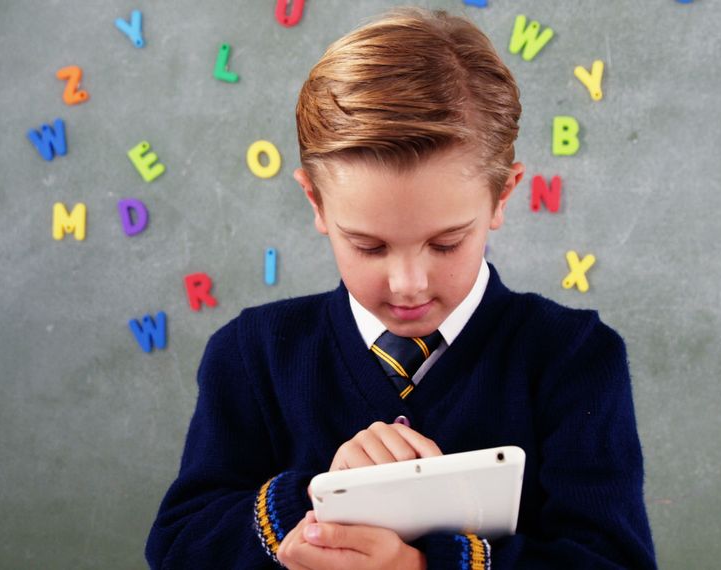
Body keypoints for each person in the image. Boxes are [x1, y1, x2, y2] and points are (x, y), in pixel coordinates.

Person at [146, 7, 656, 569]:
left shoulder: (574, 356)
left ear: (503, 196)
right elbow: (178, 546)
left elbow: (612, 561)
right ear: (315, 202)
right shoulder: (252, 353)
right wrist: (316, 499)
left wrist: (420, 566)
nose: (408, 284)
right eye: (369, 246)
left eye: (445, 245)